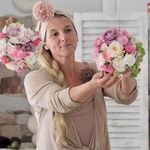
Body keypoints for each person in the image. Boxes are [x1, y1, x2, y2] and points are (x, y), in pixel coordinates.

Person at [24, 5, 138, 150]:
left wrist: (127, 68)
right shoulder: (35, 78)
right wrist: (93, 85)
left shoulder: (94, 69)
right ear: (45, 44)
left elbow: (125, 97)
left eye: (67, 30)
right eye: (55, 34)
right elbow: (58, 101)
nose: (63, 38)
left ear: (76, 35)